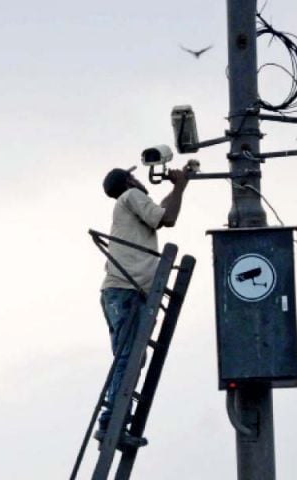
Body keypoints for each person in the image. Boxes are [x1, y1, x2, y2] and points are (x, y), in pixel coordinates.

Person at [95, 163, 189, 444]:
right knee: (128, 357)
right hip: (126, 291)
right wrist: (181, 185)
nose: (138, 179)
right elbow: (167, 218)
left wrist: (178, 186)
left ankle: (115, 422)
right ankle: (112, 423)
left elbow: (159, 211)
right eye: (133, 176)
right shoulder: (132, 197)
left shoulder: (129, 205)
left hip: (118, 292)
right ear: (128, 182)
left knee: (130, 357)